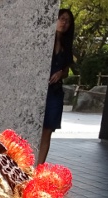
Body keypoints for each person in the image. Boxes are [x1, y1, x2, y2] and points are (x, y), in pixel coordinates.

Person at [38, 8, 75, 165]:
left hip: (55, 93)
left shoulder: (67, 45)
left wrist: (61, 73)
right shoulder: (44, 40)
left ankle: (38, 168)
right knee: (35, 128)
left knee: (47, 132)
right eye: (61, 18)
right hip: (40, 91)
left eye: (67, 20)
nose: (64, 22)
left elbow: (67, 70)